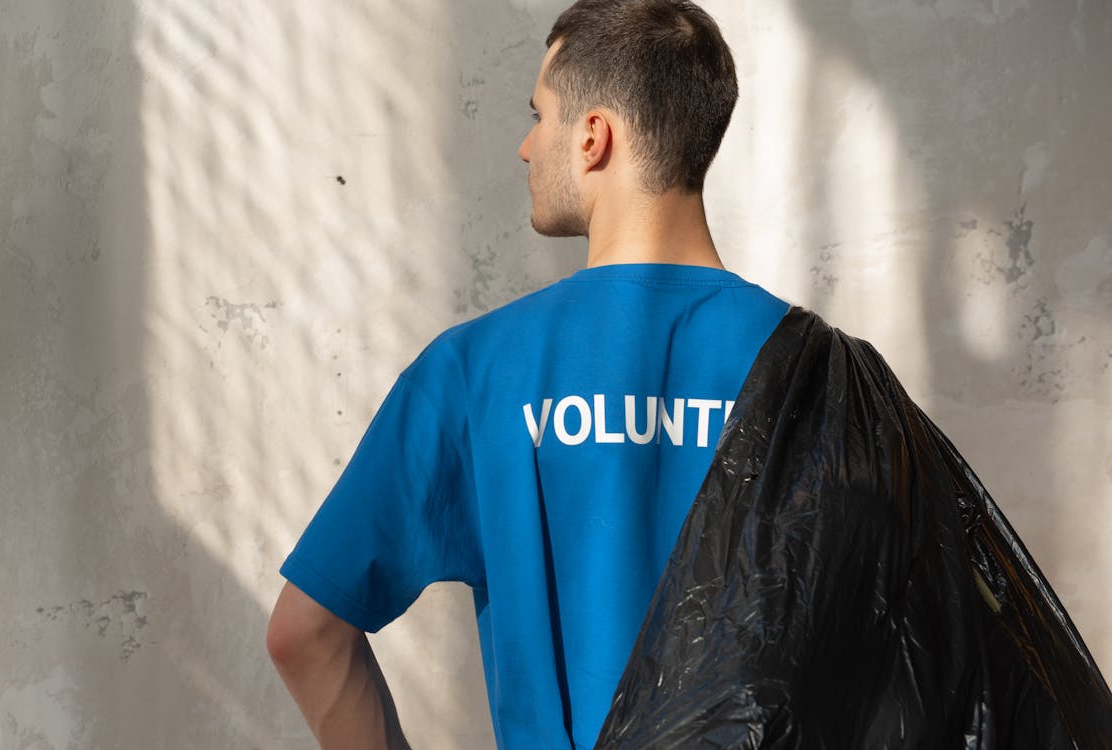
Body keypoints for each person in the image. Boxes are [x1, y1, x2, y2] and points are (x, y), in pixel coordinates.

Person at [266, 2, 789, 748]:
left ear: (591, 138)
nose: (523, 146)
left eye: (537, 114)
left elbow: (304, 633)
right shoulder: (815, 369)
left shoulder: (476, 369)